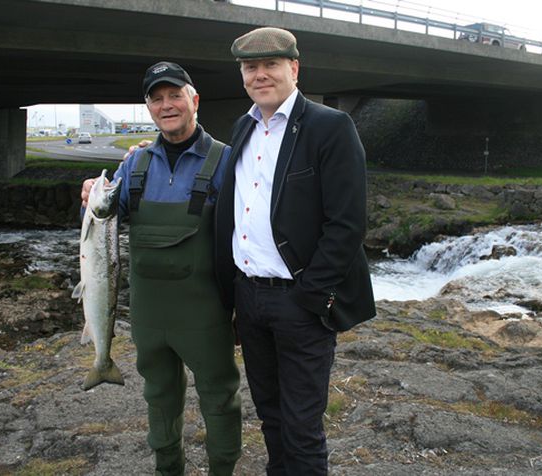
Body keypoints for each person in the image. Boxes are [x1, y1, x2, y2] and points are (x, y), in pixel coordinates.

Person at [213, 27, 375, 475]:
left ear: (294, 69)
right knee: (271, 416)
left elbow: (347, 224)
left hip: (300, 300)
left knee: (303, 428)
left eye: (271, 65)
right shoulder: (244, 126)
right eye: (251, 67)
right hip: (249, 298)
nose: (260, 74)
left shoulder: (330, 127)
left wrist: (313, 295)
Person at [81, 61, 241, 476]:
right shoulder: (133, 166)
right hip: (149, 317)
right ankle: (167, 469)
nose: (167, 105)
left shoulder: (227, 161)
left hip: (205, 312)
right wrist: (89, 193)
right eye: (157, 98)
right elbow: (102, 222)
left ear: (194, 100)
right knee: (159, 397)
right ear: (149, 107)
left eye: (175, 95)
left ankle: (222, 470)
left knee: (220, 399)